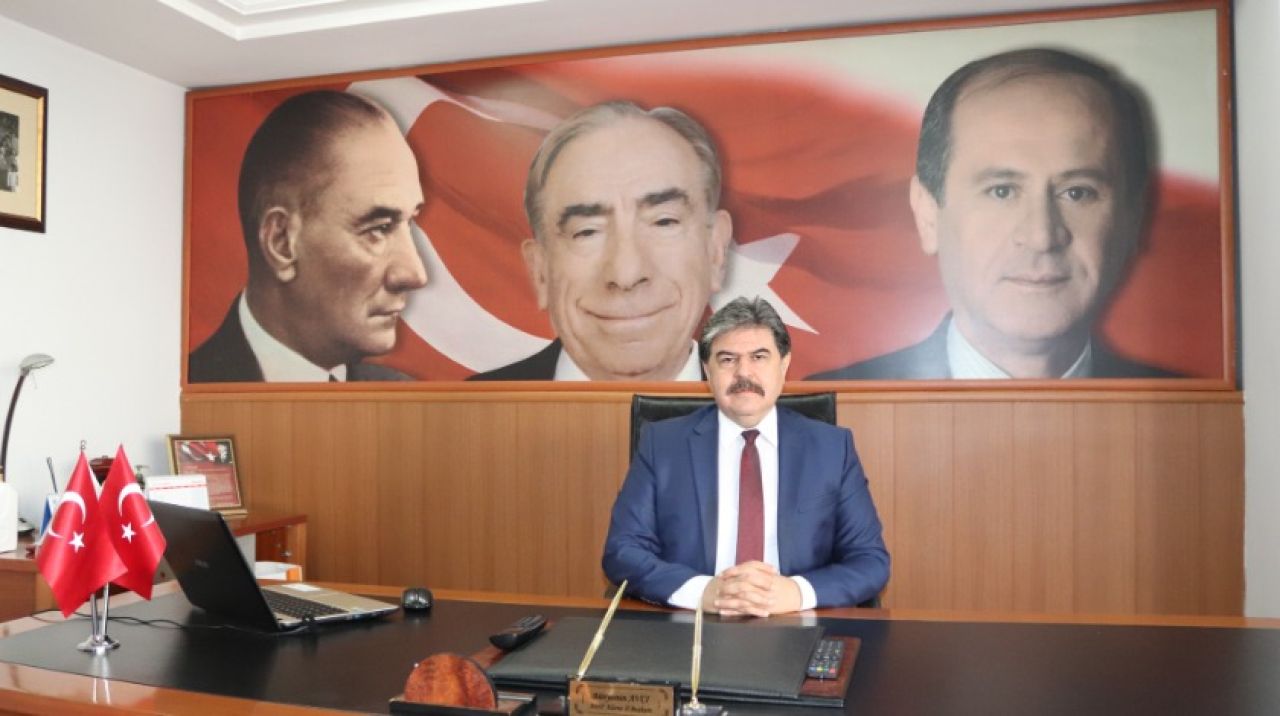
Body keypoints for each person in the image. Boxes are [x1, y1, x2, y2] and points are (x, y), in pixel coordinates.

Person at [811, 48, 1175, 381]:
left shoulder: (1191, 411)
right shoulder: (822, 415)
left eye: (1077, 192)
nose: (1041, 236)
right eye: (1002, 191)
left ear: (1131, 219)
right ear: (928, 215)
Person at [603, 297, 889, 615]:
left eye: (759, 357)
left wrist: (796, 593)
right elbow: (623, 551)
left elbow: (869, 560)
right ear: (707, 371)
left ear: (784, 365)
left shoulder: (832, 449)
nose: (744, 373)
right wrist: (702, 591)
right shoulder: (663, 445)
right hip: (693, 625)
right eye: (727, 359)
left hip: (794, 620)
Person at [469, 100, 731, 381]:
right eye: (587, 232)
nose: (626, 274)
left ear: (715, 251)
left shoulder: (766, 409)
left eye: (664, 222)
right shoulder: (462, 407)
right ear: (540, 271)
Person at [189, 90, 428, 382]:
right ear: (282, 243)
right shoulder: (180, 384)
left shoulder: (400, 393)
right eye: (378, 228)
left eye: (410, 223)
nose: (415, 274)